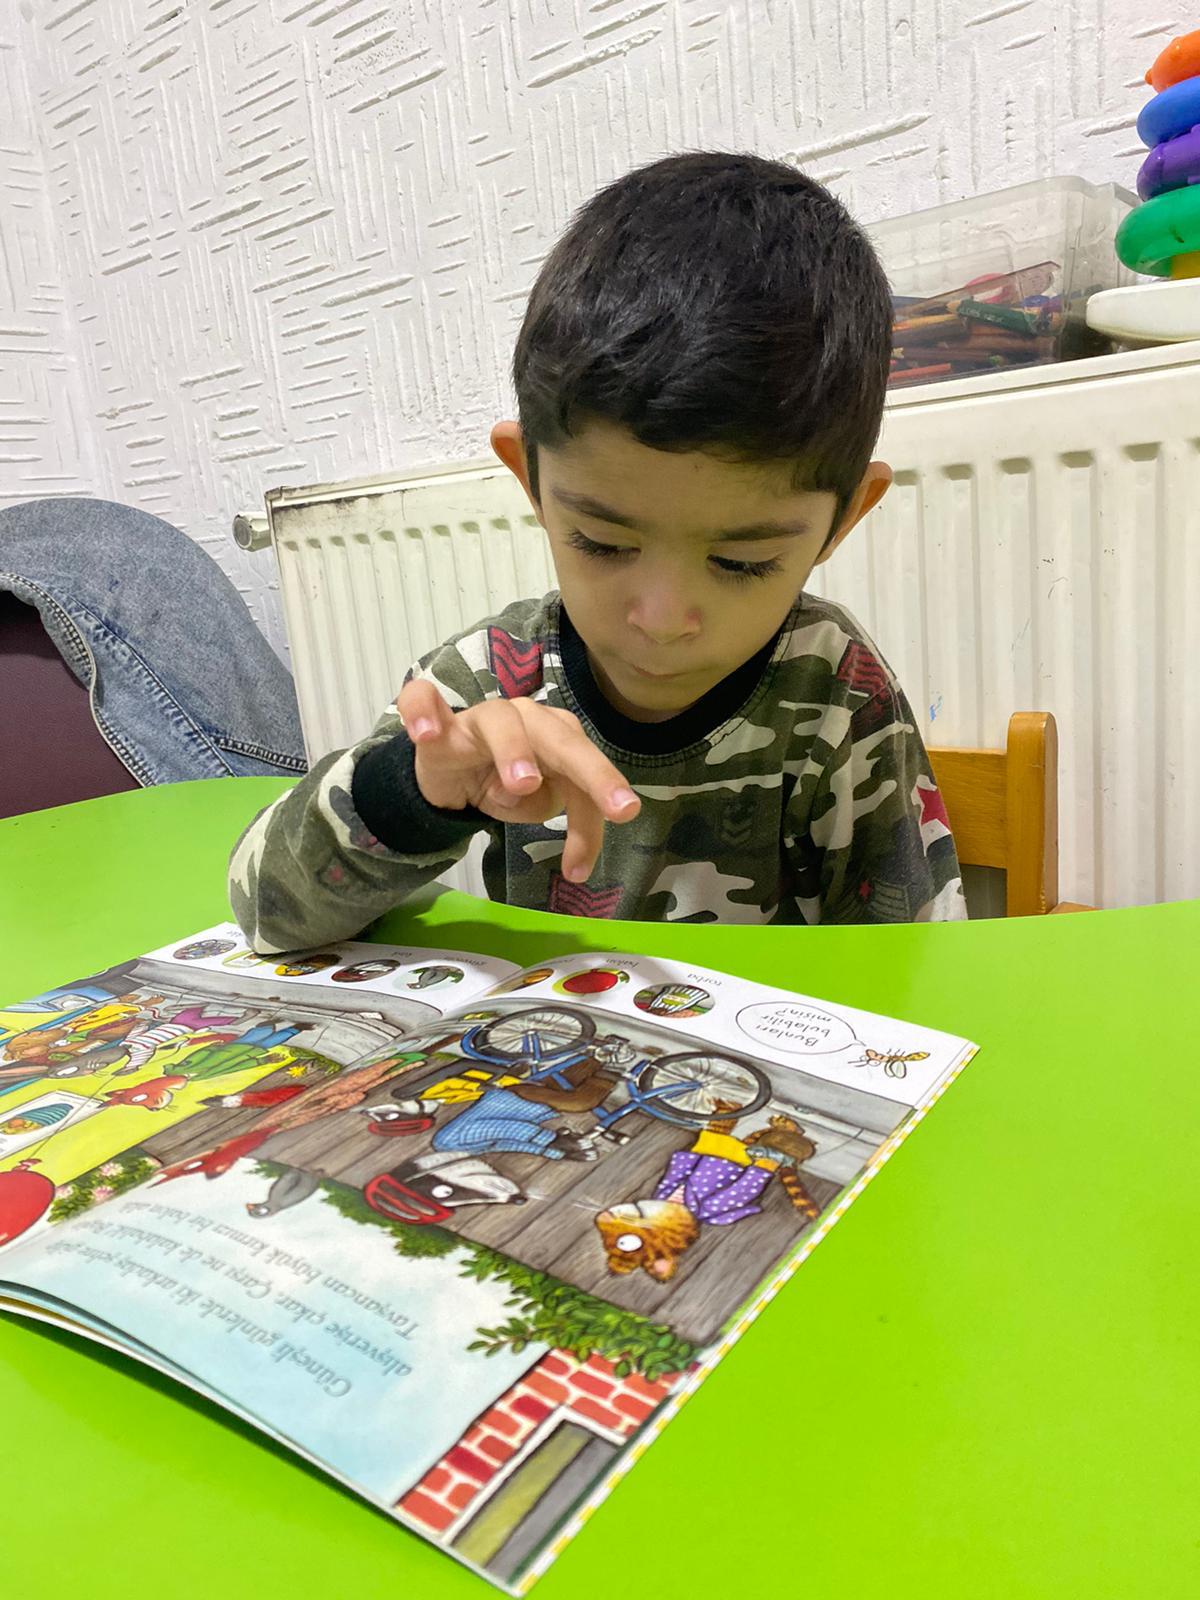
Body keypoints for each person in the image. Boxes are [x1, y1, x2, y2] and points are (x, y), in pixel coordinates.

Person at [230, 152, 964, 950]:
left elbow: (916, 963)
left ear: (843, 520)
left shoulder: (837, 689)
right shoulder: (486, 684)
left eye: (742, 562)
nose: (662, 621)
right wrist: (412, 792)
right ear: (531, 481)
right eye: (603, 542)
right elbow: (264, 915)